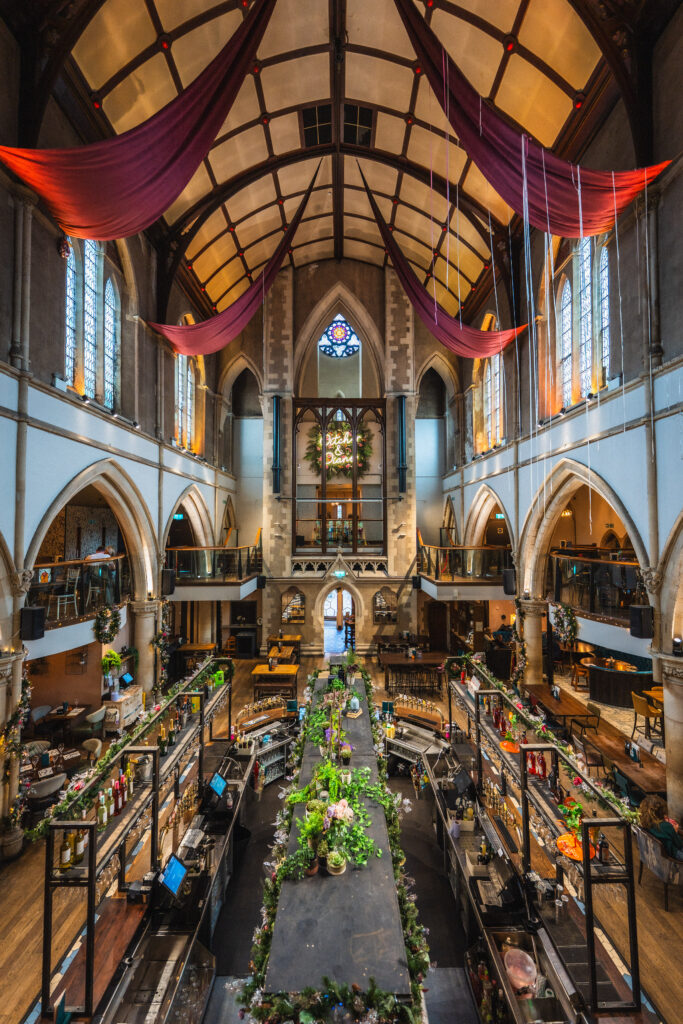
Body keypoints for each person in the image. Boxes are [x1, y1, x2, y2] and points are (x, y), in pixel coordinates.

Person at [639, 795, 683, 859]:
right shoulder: (666, 826)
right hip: (674, 855)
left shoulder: (644, 824)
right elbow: (679, 844)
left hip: (657, 856)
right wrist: (675, 831)